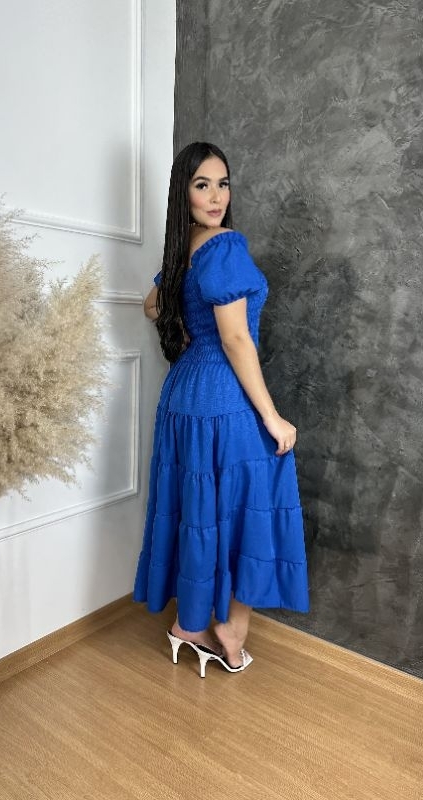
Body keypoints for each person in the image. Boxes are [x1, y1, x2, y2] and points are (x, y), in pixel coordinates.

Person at [133, 142, 309, 677]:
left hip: (183, 395)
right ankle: (229, 636)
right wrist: (272, 416)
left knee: (202, 509)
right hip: (223, 399)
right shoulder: (225, 246)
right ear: (183, 193)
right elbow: (235, 339)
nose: (215, 197)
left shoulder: (182, 248)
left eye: (223, 184)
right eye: (202, 185)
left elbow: (151, 305)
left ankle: (189, 625)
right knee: (244, 508)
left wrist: (190, 332)